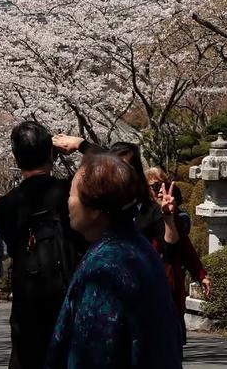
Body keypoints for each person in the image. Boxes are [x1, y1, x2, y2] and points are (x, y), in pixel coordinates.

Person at [47, 153, 181, 369]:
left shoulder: (104, 268)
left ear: (94, 210)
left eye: (72, 194)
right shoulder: (137, 246)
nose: (67, 201)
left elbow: (93, 354)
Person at [0, 122, 87, 369]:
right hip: (72, 300)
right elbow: (119, 169)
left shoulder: (3, 207)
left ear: (15, 157)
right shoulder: (71, 194)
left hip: (27, 307)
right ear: (52, 154)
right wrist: (81, 145)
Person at [144, 167, 209, 344]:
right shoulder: (142, 216)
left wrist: (200, 274)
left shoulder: (177, 217)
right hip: (148, 286)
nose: (160, 190)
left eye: (164, 185)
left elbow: (185, 247)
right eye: (155, 186)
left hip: (172, 284)